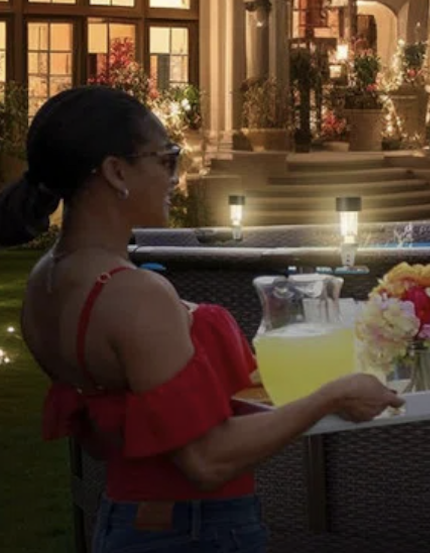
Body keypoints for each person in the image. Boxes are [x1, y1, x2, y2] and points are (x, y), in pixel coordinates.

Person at [10, 86, 401, 553]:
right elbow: (206, 460)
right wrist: (332, 396)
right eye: (167, 160)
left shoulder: (44, 283)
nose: (178, 176)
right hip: (195, 531)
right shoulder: (134, 294)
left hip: (126, 522)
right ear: (116, 171)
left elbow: (106, 433)